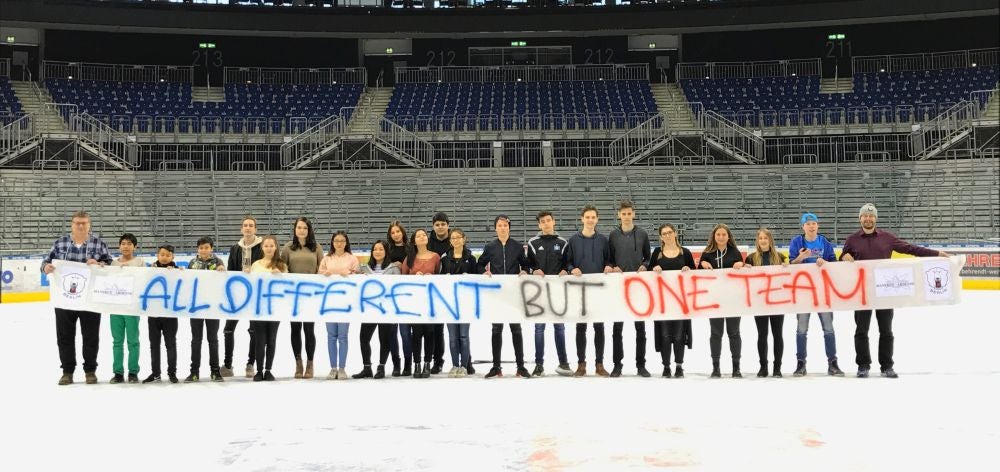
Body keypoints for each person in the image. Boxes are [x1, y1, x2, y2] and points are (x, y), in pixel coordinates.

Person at [840, 203, 949, 378]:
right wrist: (844, 256)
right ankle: (863, 365)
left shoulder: (887, 238)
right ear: (860, 218)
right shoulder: (852, 239)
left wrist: (936, 254)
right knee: (861, 331)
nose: (868, 218)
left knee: (886, 330)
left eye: (871, 216)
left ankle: (886, 366)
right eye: (865, 216)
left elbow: (911, 249)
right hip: (862, 292)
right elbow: (842, 259)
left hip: (885, 291)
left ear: (875, 218)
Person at [42, 210, 113, 386]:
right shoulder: (60, 243)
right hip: (64, 298)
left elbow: (110, 264)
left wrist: (100, 264)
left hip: (91, 298)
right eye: (77, 223)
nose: (80, 225)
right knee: (64, 336)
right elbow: (45, 262)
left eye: (84, 223)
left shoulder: (98, 243)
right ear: (72, 224)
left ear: (89, 224)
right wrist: (46, 267)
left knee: (91, 336)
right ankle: (67, 371)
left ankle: (90, 371)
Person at [788, 212, 843, 377]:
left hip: (822, 291)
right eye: (808, 223)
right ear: (803, 226)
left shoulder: (824, 242)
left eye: (814, 223)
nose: (811, 226)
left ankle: (833, 363)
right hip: (804, 291)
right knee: (801, 329)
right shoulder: (797, 242)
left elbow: (834, 263)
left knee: (828, 328)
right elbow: (790, 263)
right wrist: (801, 257)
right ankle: (801, 363)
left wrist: (825, 262)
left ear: (817, 225)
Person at [478, 215, 531, 379]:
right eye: (499, 225)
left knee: (516, 329)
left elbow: (526, 264)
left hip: (513, 294)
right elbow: (480, 263)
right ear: (495, 228)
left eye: (505, 225)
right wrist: (484, 271)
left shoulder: (517, 246)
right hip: (497, 294)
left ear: (509, 227)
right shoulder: (490, 246)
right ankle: (496, 366)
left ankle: (521, 366)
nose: (502, 228)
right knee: (496, 330)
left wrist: (524, 271)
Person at [565, 205, 613, 378]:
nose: (590, 220)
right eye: (587, 217)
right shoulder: (573, 240)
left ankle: (599, 364)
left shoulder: (602, 240)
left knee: (599, 327)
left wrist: (608, 266)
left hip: (599, 290)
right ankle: (581, 364)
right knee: (581, 328)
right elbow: (567, 262)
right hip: (580, 290)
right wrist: (572, 269)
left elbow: (609, 260)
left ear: (597, 219)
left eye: (593, 217)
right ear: (582, 219)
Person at [608, 200, 652, 378]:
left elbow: (648, 258)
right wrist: (612, 266)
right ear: (619, 215)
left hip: (638, 288)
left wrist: (644, 266)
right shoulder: (613, 235)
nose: (626, 216)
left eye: (629, 213)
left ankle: (641, 365)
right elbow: (609, 259)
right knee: (617, 329)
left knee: (640, 328)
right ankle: (617, 365)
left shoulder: (642, 234)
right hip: (619, 287)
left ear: (633, 214)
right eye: (623, 213)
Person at [526, 210, 572, 377]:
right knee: (539, 328)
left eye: (548, 220)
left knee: (559, 327)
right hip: (539, 293)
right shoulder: (532, 243)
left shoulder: (563, 242)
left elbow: (568, 264)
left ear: (554, 222)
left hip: (557, 291)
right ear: (539, 225)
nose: (545, 223)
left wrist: (565, 271)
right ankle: (539, 364)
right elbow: (528, 265)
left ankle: (564, 363)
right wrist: (533, 270)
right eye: (542, 221)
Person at [699, 223, 746, 378]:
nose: (720, 237)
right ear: (714, 236)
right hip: (714, 300)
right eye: (718, 234)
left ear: (728, 236)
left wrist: (741, 264)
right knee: (716, 333)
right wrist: (702, 264)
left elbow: (742, 273)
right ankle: (716, 367)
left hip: (733, 300)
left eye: (723, 234)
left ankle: (736, 367)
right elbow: (698, 276)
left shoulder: (735, 252)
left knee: (734, 333)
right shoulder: (707, 253)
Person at [649, 224, 695, 378]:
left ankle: (679, 366)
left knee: (679, 334)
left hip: (681, 301)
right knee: (665, 334)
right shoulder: (657, 253)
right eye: (664, 233)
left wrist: (689, 270)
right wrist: (653, 269)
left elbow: (695, 274)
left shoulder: (685, 253)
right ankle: (666, 366)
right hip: (662, 302)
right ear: (661, 237)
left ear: (675, 234)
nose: (667, 235)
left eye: (670, 232)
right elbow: (648, 275)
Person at [281, 217, 324, 380]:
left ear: (309, 230)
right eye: (299, 227)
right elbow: (282, 268)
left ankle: (310, 363)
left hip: (311, 294)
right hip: (293, 295)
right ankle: (298, 362)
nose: (301, 230)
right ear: (295, 229)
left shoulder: (316, 247)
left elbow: (322, 268)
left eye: (304, 228)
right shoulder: (287, 248)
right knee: (295, 329)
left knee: (309, 329)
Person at [354, 240, 403, 379]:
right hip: (369, 309)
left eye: (381, 249)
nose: (377, 251)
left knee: (384, 339)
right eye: (375, 249)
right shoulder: (364, 268)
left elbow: (396, 288)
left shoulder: (393, 268)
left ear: (386, 251)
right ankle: (367, 367)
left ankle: (381, 367)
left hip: (386, 310)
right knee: (364, 338)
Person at [743, 228, 787, 378]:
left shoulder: (780, 257)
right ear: (757, 240)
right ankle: (763, 367)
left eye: (765, 238)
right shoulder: (751, 258)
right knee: (762, 334)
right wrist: (745, 269)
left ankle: (777, 368)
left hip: (777, 301)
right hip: (759, 302)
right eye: (760, 238)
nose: (763, 241)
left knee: (777, 334)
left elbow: (788, 277)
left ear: (770, 240)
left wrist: (788, 267)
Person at [224, 216, 264, 378]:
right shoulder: (235, 248)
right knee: (228, 330)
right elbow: (230, 270)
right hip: (237, 295)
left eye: (251, 225)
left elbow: (266, 266)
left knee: (254, 330)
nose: (248, 228)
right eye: (245, 225)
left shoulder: (262, 247)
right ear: (241, 229)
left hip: (255, 294)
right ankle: (227, 364)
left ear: (255, 229)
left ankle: (250, 363)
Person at [319, 231, 360, 380]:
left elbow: (358, 277)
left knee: (342, 336)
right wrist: (325, 273)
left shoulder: (352, 259)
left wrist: (350, 273)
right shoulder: (326, 258)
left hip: (345, 303)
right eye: (336, 241)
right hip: (329, 303)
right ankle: (332, 368)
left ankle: (342, 368)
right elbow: (319, 276)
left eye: (342, 241)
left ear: (346, 243)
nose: (339, 243)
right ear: (332, 243)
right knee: (331, 336)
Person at [186, 236, 227, 382]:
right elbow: (186, 282)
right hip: (196, 307)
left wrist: (222, 270)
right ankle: (194, 371)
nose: (204, 250)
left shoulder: (218, 262)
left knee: (213, 340)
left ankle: (215, 371)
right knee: (196, 340)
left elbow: (224, 280)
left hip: (212, 307)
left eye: (207, 247)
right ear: (198, 249)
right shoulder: (192, 263)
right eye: (201, 247)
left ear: (211, 248)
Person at [401, 229, 442, 379]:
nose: (422, 237)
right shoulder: (409, 258)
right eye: (418, 235)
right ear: (414, 241)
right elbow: (402, 279)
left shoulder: (435, 257)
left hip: (430, 301)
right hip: (415, 302)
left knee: (430, 332)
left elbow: (441, 277)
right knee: (416, 333)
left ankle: (427, 363)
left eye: (424, 234)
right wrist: (414, 278)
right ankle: (416, 363)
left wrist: (432, 277)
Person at [439, 228, 478, 377]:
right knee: (452, 337)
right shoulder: (444, 258)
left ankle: (464, 366)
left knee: (463, 336)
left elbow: (476, 278)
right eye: (452, 238)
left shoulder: (471, 258)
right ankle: (455, 365)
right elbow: (440, 278)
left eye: (458, 237)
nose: (455, 240)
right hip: (449, 303)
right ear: (450, 241)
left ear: (464, 239)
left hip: (465, 303)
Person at [249, 235, 287, 382]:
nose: (269, 248)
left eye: (272, 245)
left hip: (275, 307)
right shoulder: (256, 265)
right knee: (260, 340)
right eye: (266, 245)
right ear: (262, 247)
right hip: (258, 307)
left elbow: (287, 286)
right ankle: (259, 371)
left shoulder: (282, 265)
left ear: (276, 247)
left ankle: (268, 370)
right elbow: (251, 285)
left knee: (271, 340)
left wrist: (281, 276)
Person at [109, 233, 145, 384]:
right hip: (116, 308)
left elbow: (143, 281)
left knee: (133, 341)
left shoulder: (139, 262)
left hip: (132, 308)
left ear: (134, 247)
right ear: (119, 246)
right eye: (123, 243)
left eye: (129, 244)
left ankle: (133, 372)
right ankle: (118, 372)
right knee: (117, 341)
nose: (125, 246)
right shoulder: (113, 264)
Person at [144, 244, 179, 384]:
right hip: (153, 313)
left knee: (170, 344)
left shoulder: (177, 270)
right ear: (157, 255)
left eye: (168, 255)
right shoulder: (150, 270)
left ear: (172, 257)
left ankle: (172, 372)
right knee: (154, 345)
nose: (164, 257)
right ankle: (155, 373)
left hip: (170, 314)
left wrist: (177, 272)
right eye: (162, 254)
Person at [426, 212, 451, 374]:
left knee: (460, 329)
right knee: (437, 329)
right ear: (433, 226)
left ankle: (466, 360)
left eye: (443, 224)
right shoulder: (428, 243)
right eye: (437, 224)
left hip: (453, 290)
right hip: (434, 292)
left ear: (448, 225)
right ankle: (437, 360)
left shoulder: (455, 238)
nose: (440, 227)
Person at [386, 221, 412, 375]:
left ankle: (408, 363)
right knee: (391, 332)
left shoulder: (411, 248)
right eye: (393, 232)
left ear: (402, 232)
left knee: (405, 332)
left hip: (406, 295)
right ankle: (396, 363)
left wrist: (402, 265)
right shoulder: (387, 249)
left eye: (398, 231)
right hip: (390, 295)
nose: (396, 234)